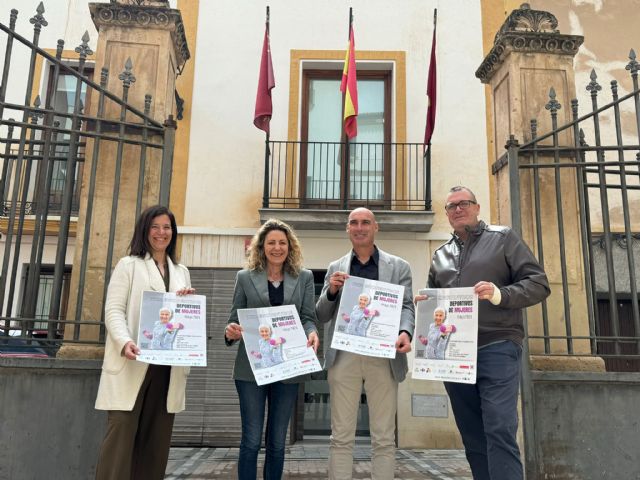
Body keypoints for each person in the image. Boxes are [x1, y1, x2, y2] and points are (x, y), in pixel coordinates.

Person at [421, 186, 550, 480]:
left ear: (477, 207)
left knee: (499, 427)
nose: (458, 209)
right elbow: (435, 303)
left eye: (464, 203)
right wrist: (425, 307)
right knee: (472, 434)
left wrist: (499, 294)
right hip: (454, 355)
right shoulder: (440, 255)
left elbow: (539, 283)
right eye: (451, 206)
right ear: (447, 214)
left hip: (497, 345)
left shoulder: (503, 238)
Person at [94, 205, 196, 480]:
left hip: (167, 368)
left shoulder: (181, 271)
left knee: (156, 443)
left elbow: (182, 318)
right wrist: (124, 341)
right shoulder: (129, 265)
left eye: (167, 227)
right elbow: (113, 310)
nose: (161, 233)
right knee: (121, 436)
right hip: (133, 361)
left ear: (173, 233)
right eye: (155, 227)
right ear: (145, 230)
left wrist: (187, 304)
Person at [316, 207, 415, 480]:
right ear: (347, 229)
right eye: (354, 223)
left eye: (365, 222)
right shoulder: (335, 267)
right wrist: (332, 291)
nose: (360, 227)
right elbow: (321, 314)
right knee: (340, 436)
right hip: (344, 356)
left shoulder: (399, 266)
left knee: (384, 437)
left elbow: (407, 306)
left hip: (384, 356)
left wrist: (405, 332)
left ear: (375, 227)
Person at [224, 218, 320, 480]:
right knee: (251, 439)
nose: (277, 248)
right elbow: (234, 319)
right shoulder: (245, 277)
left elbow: (307, 317)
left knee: (277, 442)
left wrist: (312, 332)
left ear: (290, 246)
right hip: (251, 370)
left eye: (282, 243)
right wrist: (231, 332)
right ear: (261, 247)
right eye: (271, 243)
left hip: (288, 367)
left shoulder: (304, 277)